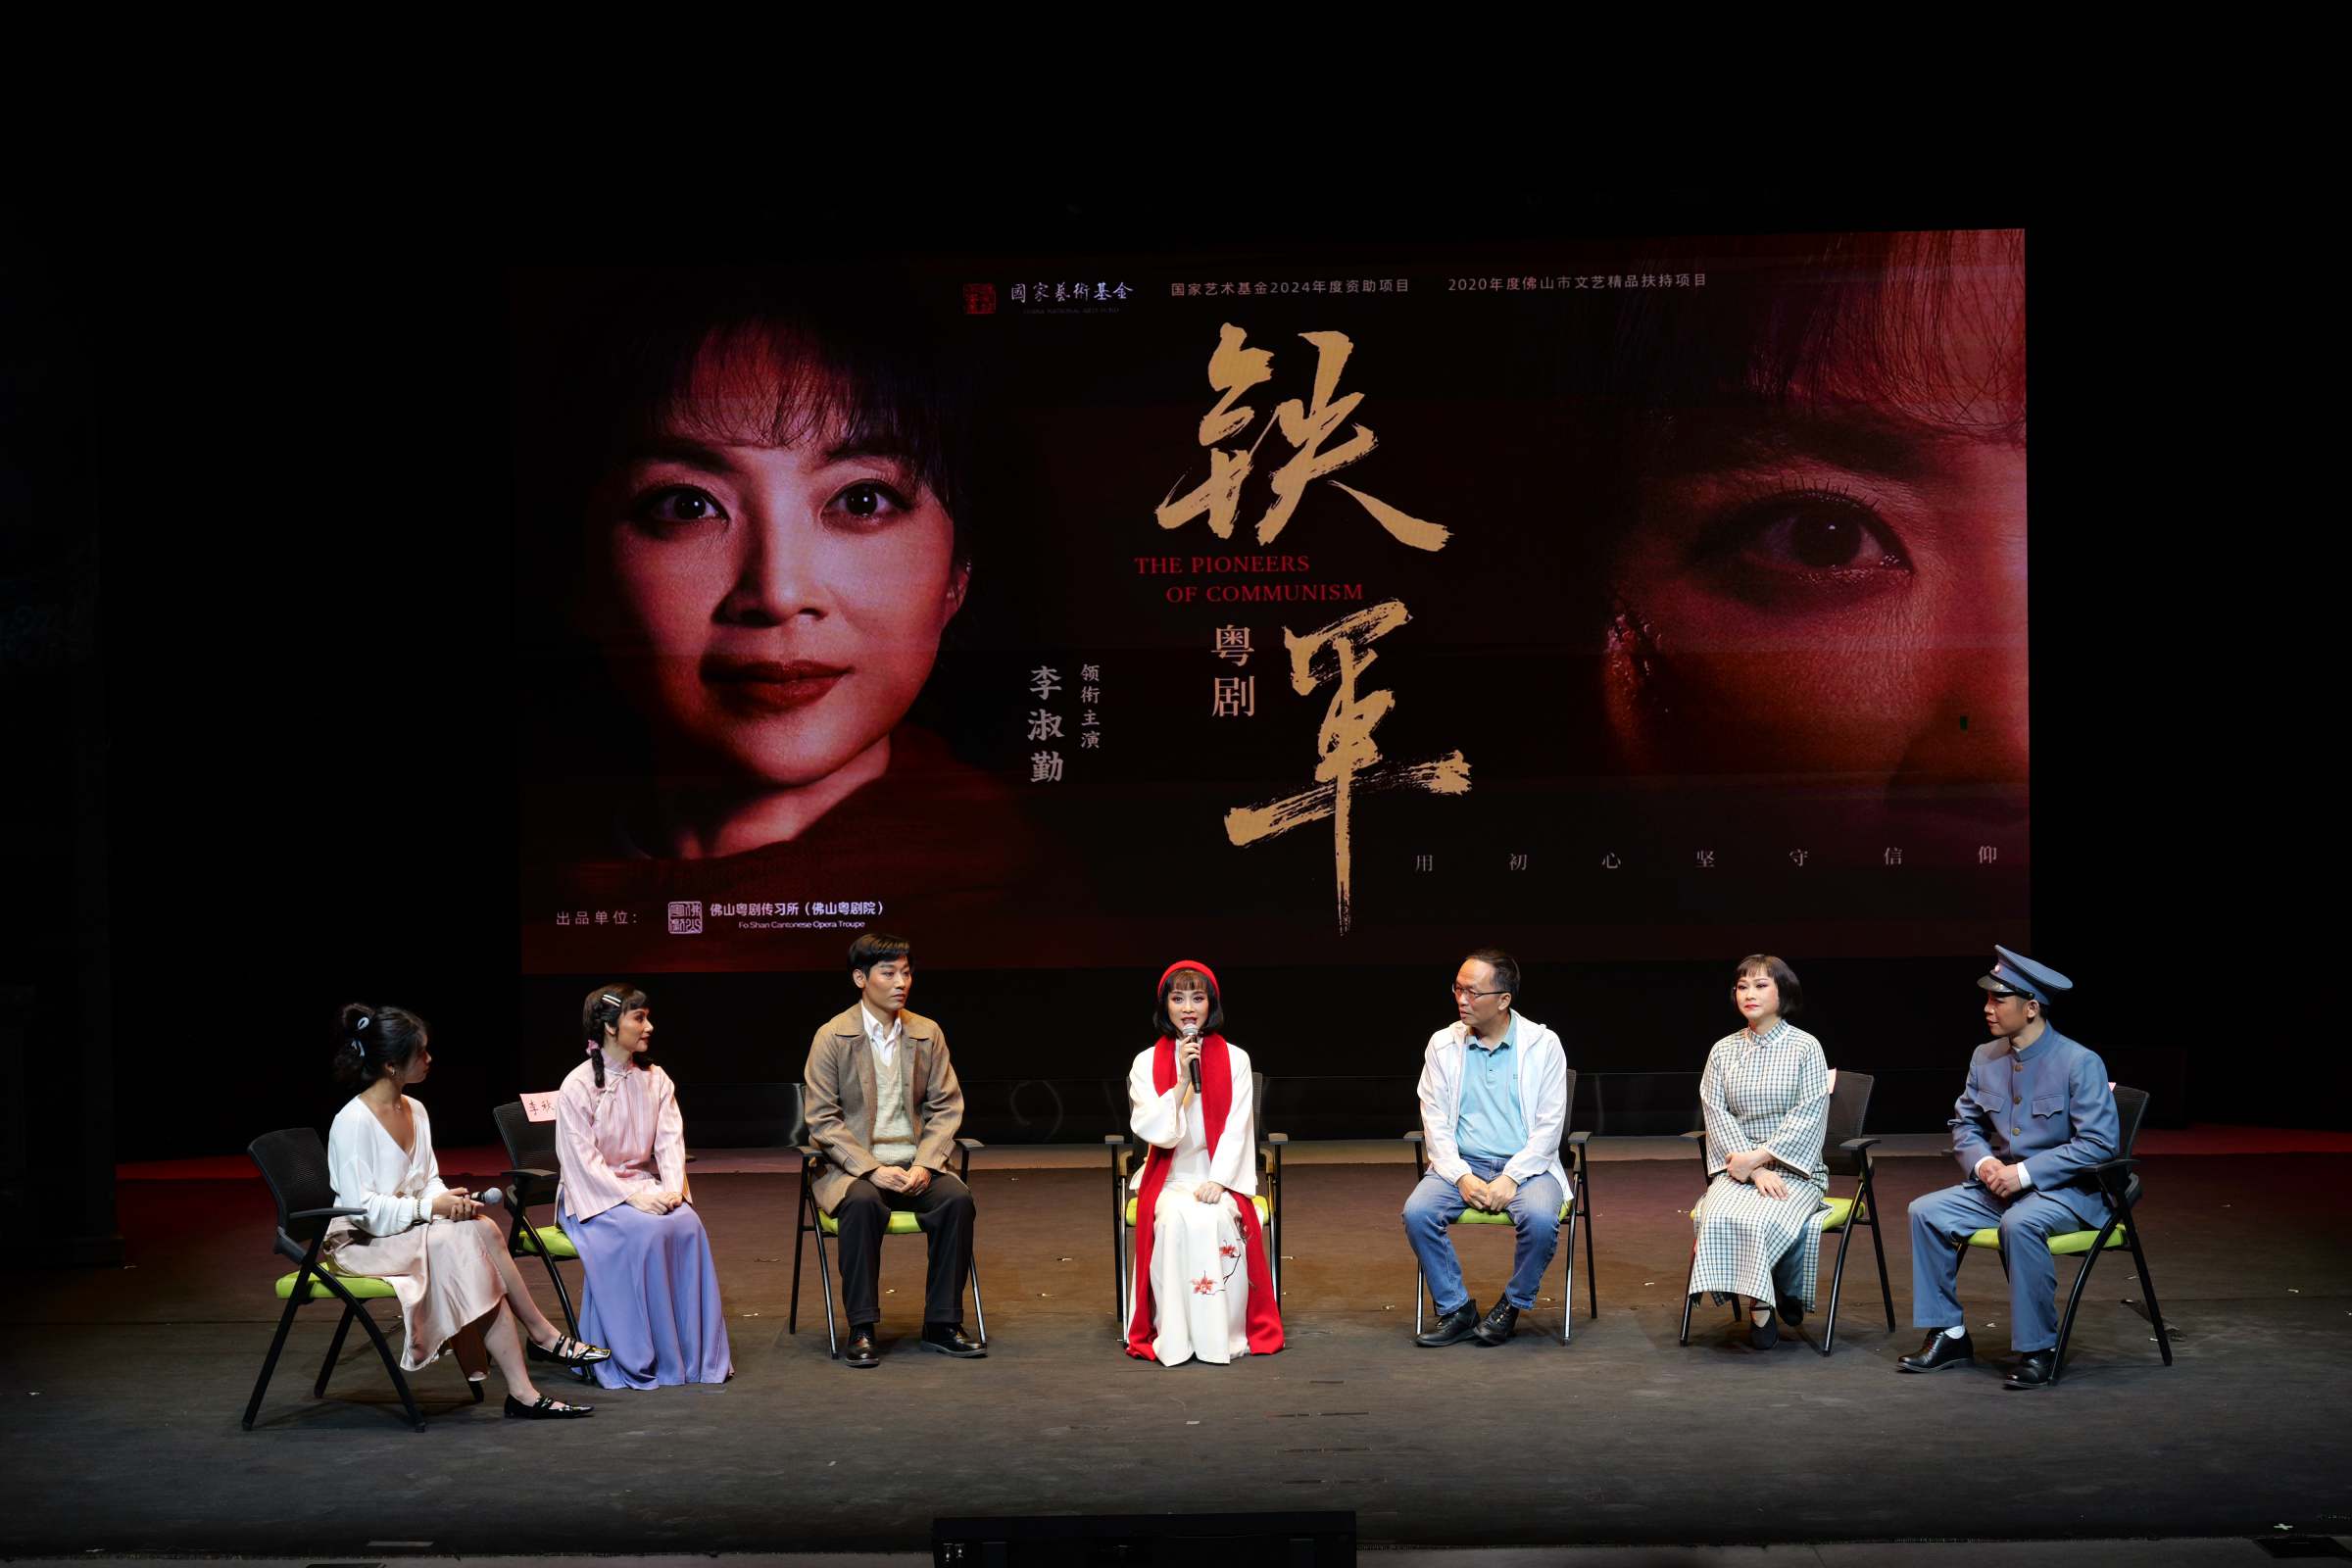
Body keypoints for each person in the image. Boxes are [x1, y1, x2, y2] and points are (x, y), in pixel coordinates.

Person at [515, 269, 1044, 973]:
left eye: (861, 500)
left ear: (958, 575)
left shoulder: (1033, 919)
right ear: (583, 576)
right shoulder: (544, 892)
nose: (778, 592)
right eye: (687, 505)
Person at [322, 1003, 609, 1419]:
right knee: (462, 1244)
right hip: (361, 1241)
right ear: (390, 1065)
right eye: (420, 1052)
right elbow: (364, 1211)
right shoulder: (352, 1122)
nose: (429, 1058)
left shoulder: (415, 1109)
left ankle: (537, 1350)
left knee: (481, 1226)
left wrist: (448, 1202)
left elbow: (427, 1179)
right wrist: (429, 1207)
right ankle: (533, 1366)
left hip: (404, 1229)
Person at [1900, 947, 2120, 1389]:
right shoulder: (1985, 1057)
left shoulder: (2079, 1062)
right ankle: (1949, 1333)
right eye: (1988, 998)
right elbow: (1965, 1124)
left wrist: (2023, 1173)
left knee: (2019, 1224)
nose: (1988, 1008)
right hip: (2000, 1186)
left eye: (1998, 999)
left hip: (2068, 1192)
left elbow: (2099, 1144)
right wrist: (1983, 1164)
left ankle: (2039, 1348)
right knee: (1925, 1211)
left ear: (2031, 1008)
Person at [803, 930, 983, 1368]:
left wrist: (926, 1163)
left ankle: (942, 1323)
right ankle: (862, 1326)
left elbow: (946, 1107)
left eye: (906, 973)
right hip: (854, 1169)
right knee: (863, 1204)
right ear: (860, 979)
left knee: (956, 1200)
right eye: (889, 973)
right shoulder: (833, 1036)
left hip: (914, 1164)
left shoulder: (926, 1032)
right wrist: (870, 1168)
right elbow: (822, 1119)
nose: (901, 982)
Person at [554, 984, 734, 1389]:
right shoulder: (578, 1085)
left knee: (687, 1224)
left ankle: (692, 1357)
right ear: (610, 1027)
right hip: (592, 1195)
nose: (648, 1026)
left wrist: (671, 1190)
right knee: (646, 1230)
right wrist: (632, 1198)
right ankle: (638, 1355)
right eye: (638, 1018)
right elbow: (580, 1160)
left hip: (641, 1185)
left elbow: (670, 1142)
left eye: (647, 1017)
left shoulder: (656, 1079)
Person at [1401, 948, 1570, 1348]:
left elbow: (1550, 1127)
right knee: (1418, 1212)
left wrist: (1512, 1177)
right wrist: (1461, 1175)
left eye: (1473, 992)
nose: (1462, 999)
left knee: (1541, 1219)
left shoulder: (1543, 1044)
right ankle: (1456, 1308)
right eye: (1458, 989)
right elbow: (1434, 1120)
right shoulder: (1443, 1044)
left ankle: (1511, 1304)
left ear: (1503, 999)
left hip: (1529, 1168)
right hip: (1461, 1164)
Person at [1123, 961, 1284, 1364]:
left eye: (1197, 998)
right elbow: (1154, 1131)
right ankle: (1175, 1332)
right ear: (1166, 1006)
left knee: (1214, 1217)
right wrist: (1181, 1079)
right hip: (1170, 1177)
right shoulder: (1145, 1062)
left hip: (1219, 1175)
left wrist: (1220, 1179)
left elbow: (1238, 1126)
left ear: (1211, 1004)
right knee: (1176, 1219)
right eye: (1178, 999)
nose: (1188, 1008)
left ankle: (1220, 1333)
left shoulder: (1236, 1059)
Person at [1688, 955, 1830, 1349]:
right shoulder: (1723, 1050)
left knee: (1764, 1216)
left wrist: (1763, 1158)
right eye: (1742, 986)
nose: (1749, 993)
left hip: (1794, 1169)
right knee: (1717, 1214)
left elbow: (1808, 1116)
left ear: (1783, 993)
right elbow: (1716, 1113)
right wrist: (1750, 1168)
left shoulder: (1805, 1048)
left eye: (1761, 985)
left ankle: (1767, 1298)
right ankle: (1771, 1293)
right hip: (1736, 1166)